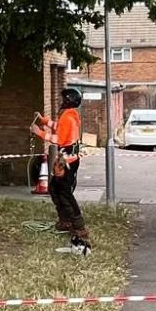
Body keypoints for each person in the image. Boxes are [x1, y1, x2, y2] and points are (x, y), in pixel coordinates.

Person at [32, 86, 91, 253]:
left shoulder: (68, 118)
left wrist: (39, 133)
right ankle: (65, 221)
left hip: (67, 161)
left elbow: (59, 138)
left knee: (64, 192)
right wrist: (44, 121)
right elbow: (59, 127)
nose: (60, 101)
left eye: (63, 99)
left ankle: (79, 226)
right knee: (55, 189)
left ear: (68, 101)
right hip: (65, 160)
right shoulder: (69, 115)